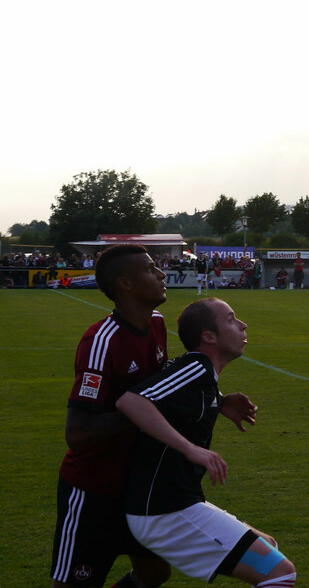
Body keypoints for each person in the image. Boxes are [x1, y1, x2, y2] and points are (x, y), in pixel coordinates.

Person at [117, 298, 295, 586]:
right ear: (209, 337)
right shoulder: (197, 366)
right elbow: (132, 401)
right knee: (280, 573)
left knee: (268, 546)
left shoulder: (202, 376)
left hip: (172, 505)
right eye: (231, 319)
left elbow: (177, 401)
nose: (242, 325)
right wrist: (191, 448)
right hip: (164, 512)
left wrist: (220, 401)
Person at [50, 244, 173, 588]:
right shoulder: (101, 342)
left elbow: (163, 388)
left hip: (138, 485)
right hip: (93, 490)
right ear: (126, 285)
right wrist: (141, 413)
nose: (161, 274)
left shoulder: (158, 325)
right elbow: (77, 434)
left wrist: (219, 400)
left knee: (155, 572)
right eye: (150, 269)